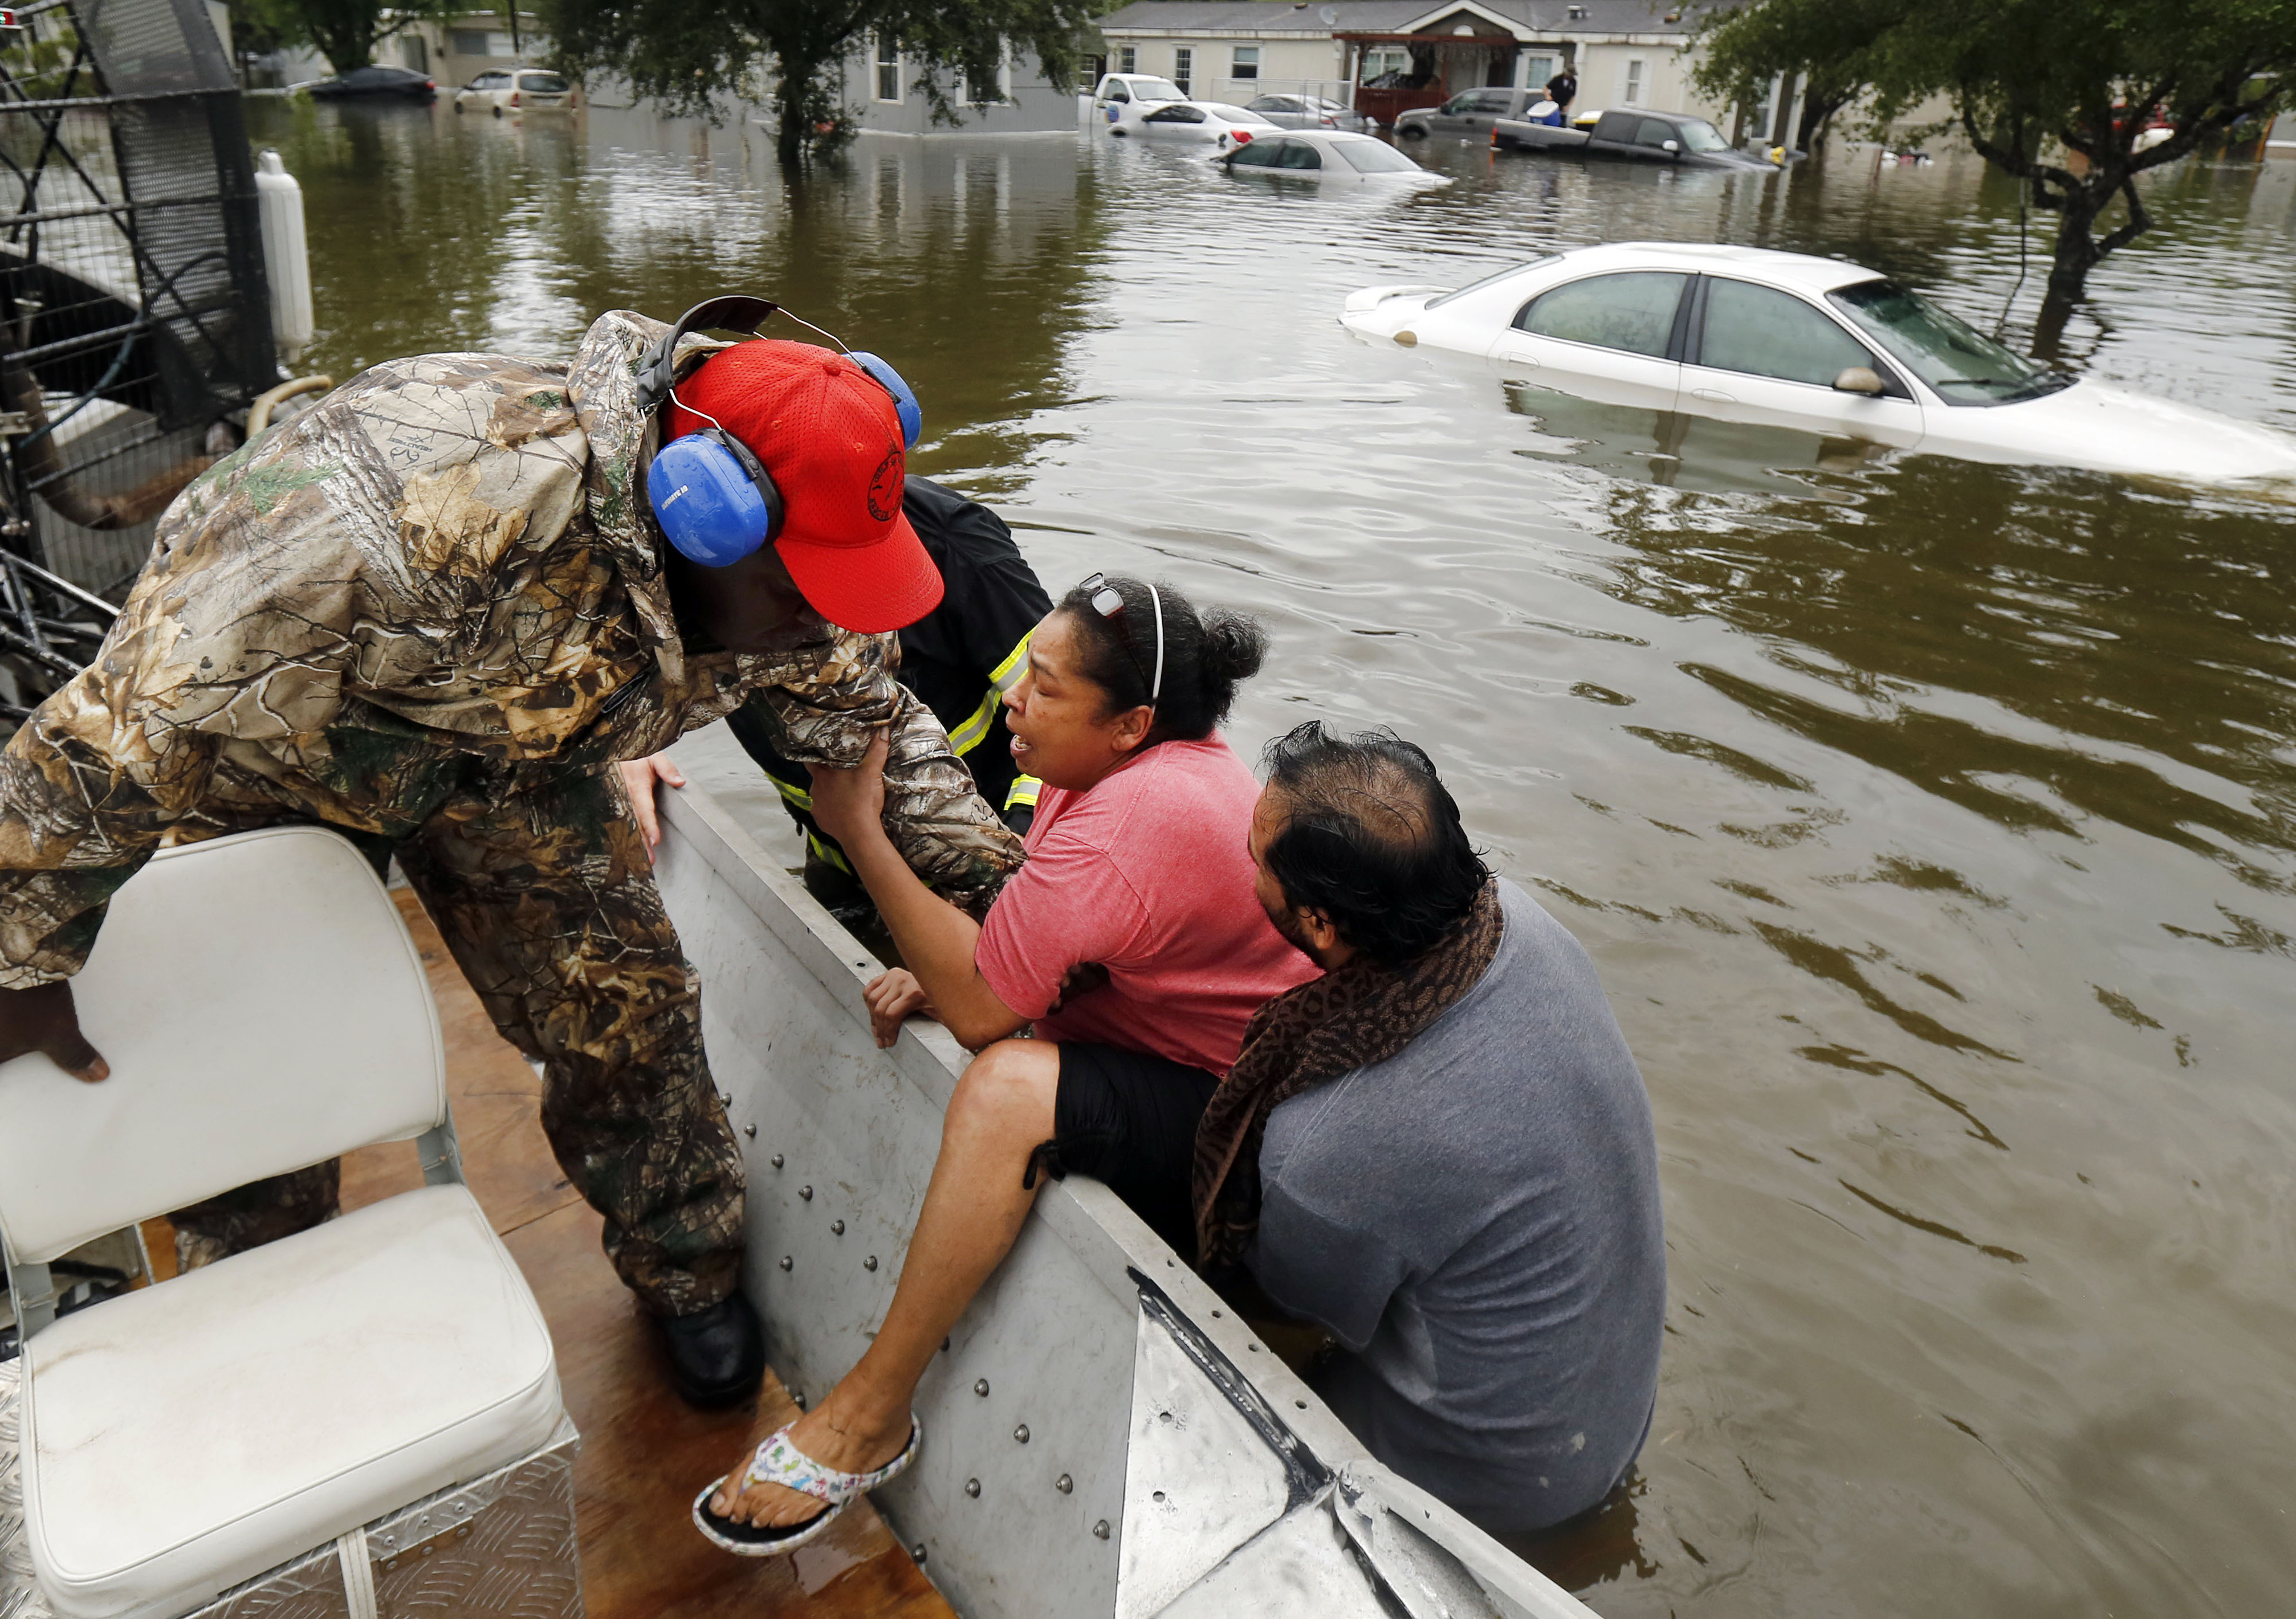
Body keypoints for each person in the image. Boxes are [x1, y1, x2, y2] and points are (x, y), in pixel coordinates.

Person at [0, 303, 1024, 1412]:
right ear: (703, 517)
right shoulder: (373, 521)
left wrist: (1022, 915)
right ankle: (252, 1296)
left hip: (510, 755)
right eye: (802, 593)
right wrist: (1, 961)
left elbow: (879, 734)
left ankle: (684, 1265)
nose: (822, 624)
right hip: (274, 744)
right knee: (259, 1048)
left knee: (625, 1003)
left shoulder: (794, 584)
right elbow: (118, 729)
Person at [693, 574, 1311, 1555]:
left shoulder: (1135, 820)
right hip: (1158, 1029)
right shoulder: (1128, 761)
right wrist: (946, 971)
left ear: (1131, 722)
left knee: (1003, 1090)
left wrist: (857, 826)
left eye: (1048, 687)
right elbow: (1043, 941)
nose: (1013, 698)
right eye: (1027, 668)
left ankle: (869, 1415)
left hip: (1238, 1115)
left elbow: (984, 1014)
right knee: (958, 989)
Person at [1192, 721, 1665, 1534]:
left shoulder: (1328, 1144)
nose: (1248, 869)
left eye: (1256, 860)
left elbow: (1297, 1308)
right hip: (1614, 1413)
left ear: (1321, 924)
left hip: (1488, 1485)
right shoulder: (1521, 920)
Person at [705, 474, 1048, 911]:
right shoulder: (695, 562)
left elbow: (1080, 718)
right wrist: (629, 751)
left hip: (997, 856)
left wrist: (1028, 830)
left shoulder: (953, 541)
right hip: (844, 867)